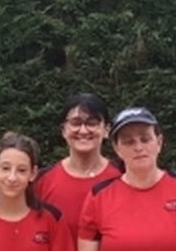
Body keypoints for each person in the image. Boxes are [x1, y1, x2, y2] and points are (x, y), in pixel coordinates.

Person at [77, 107, 176, 251]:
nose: (138, 147)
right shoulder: (98, 197)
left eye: (145, 139)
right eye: (129, 142)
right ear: (117, 148)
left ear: (159, 142)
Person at [0, 132, 74, 251]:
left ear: (33, 173)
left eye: (21, 170)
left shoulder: (52, 219)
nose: (12, 178)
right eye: (5, 168)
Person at [33, 93, 121, 238]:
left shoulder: (122, 177)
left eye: (92, 122)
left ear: (106, 130)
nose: (83, 130)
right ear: (63, 130)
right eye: (75, 122)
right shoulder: (42, 181)